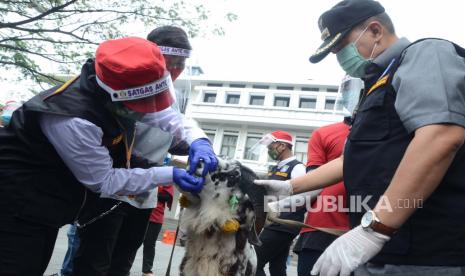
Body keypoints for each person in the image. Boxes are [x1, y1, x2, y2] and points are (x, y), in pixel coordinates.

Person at [255, 0, 465, 275]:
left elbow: (441, 135)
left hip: (426, 251)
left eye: (341, 48)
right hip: (384, 247)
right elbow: (354, 159)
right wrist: (292, 187)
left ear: (375, 30)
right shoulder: (377, 84)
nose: (339, 57)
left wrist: (376, 228)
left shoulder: (426, 54)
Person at [0, 37, 217, 276]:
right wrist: (170, 174)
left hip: (48, 206)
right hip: (17, 204)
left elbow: (168, 118)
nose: (150, 108)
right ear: (117, 94)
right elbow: (105, 181)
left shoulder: (115, 92)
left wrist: (199, 140)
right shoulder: (74, 119)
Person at [71, 26, 197, 276]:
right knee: (93, 262)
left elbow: (171, 131)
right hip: (111, 184)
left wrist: (194, 145)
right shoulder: (124, 76)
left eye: (180, 64)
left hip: (145, 190)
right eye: (169, 62)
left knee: (123, 261)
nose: (174, 70)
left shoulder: (178, 91)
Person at [293, 118, 350, 276]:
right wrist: (280, 203)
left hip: (372, 228)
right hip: (321, 227)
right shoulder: (324, 133)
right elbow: (313, 182)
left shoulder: (400, 130)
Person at [254, 130, 307, 276]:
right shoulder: (275, 168)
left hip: (284, 223)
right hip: (275, 222)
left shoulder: (297, 167)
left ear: (282, 146)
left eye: (271, 146)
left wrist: (275, 206)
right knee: (277, 267)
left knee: (252, 263)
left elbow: (303, 197)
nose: (268, 150)